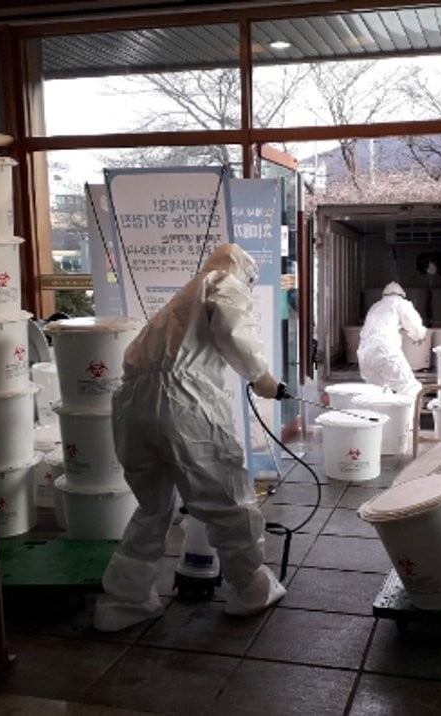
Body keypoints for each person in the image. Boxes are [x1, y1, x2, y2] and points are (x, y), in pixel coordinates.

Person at [94, 243, 287, 632]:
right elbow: (234, 330)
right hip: (182, 402)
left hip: (132, 404)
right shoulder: (223, 282)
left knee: (152, 507)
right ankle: (250, 590)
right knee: (228, 499)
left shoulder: (179, 302)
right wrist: (264, 379)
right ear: (244, 272)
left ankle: (123, 603)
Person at [357, 282, 427, 397]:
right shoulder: (400, 303)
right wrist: (419, 335)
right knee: (409, 388)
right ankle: (410, 414)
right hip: (385, 351)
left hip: (365, 354)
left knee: (378, 393)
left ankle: (381, 414)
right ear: (402, 295)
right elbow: (414, 326)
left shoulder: (375, 306)